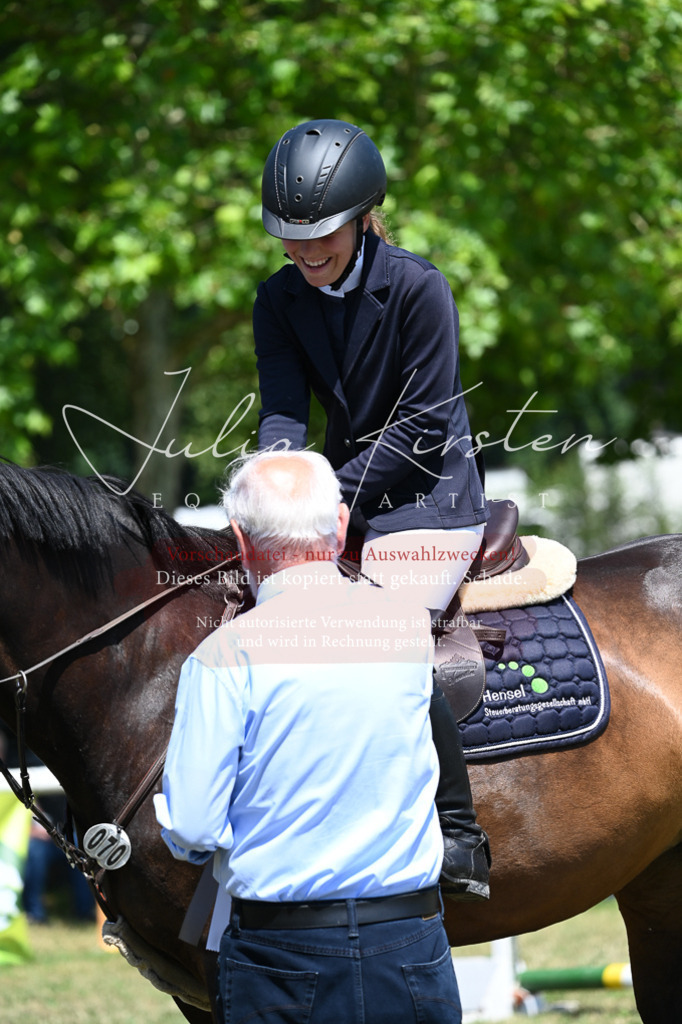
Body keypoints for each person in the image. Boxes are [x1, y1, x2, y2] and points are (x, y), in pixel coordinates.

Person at [254, 118, 491, 898]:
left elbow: (425, 426)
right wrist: (275, 481)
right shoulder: (277, 301)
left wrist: (331, 496)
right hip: (341, 496)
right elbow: (285, 412)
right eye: (291, 238)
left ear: (363, 218)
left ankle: (458, 835)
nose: (306, 252)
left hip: (429, 499)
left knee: (382, 631)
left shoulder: (419, 287)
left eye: (320, 235)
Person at [155, 450, 463, 1024]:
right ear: (340, 525)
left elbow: (194, 827)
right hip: (411, 944)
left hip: (280, 956)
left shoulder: (221, 656)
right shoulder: (408, 628)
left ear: (242, 542)